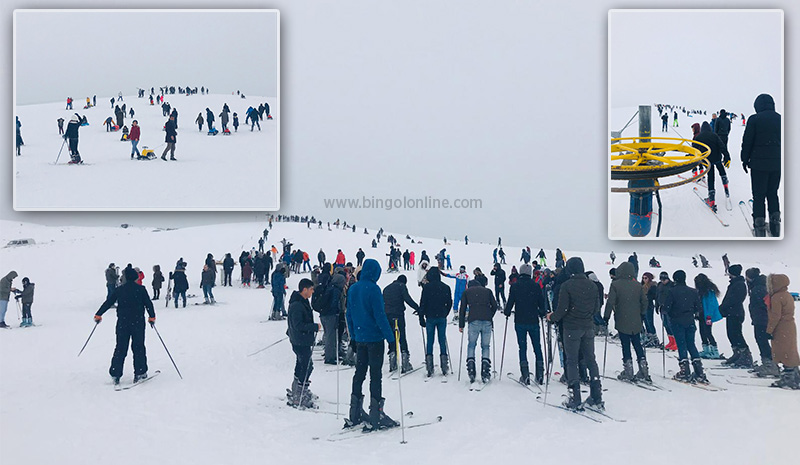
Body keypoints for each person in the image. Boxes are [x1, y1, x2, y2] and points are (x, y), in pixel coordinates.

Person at [345, 259, 399, 430]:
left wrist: (353, 336)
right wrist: (391, 338)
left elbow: (349, 314)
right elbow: (380, 316)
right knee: (375, 375)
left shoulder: (353, 288)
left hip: (360, 338)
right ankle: (376, 413)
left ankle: (355, 412)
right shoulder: (374, 289)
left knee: (359, 373)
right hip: (374, 339)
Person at [547, 257, 604, 410]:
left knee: (572, 360)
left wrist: (552, 317)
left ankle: (575, 396)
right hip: (588, 327)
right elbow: (596, 308)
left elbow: (562, 309)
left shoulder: (567, 285)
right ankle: (596, 395)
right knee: (591, 360)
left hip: (571, 328)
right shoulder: (592, 285)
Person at [94, 267, 156, 385]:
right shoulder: (141, 289)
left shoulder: (119, 290)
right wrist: (151, 317)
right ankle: (140, 372)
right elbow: (148, 303)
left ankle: (115, 373)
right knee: (138, 347)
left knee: (120, 348)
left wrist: (99, 314)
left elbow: (108, 302)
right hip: (138, 323)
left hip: (123, 323)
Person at [741, 94, 781, 237]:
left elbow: (747, 141)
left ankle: (759, 229)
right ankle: (775, 227)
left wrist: (744, 159)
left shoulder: (754, 119)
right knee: (772, 194)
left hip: (758, 165)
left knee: (759, 196)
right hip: (777, 164)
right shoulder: (780, 119)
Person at [603, 262, 650, 383]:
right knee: (637, 343)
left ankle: (628, 370)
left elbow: (610, 302)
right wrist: (642, 313)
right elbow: (645, 301)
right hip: (636, 320)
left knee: (625, 344)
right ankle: (643, 368)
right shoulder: (637, 285)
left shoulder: (615, 285)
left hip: (622, 318)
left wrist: (606, 317)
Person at [663, 270, 708, 384]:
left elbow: (666, 308)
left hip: (677, 321)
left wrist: (665, 310)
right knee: (691, 344)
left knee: (681, 344)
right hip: (689, 320)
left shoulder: (672, 291)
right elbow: (698, 308)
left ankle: (685, 370)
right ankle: (699, 371)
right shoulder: (693, 291)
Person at [504, 263, 545, 384]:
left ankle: (525, 374)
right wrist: (541, 312)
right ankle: (540, 374)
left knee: (522, 347)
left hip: (520, 321)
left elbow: (510, 302)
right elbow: (541, 305)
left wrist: (507, 312)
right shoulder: (536, 286)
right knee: (537, 346)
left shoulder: (515, 286)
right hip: (533, 321)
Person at [286, 279, 322, 408]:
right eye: (311, 289)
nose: (313, 292)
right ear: (305, 289)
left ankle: (298, 390)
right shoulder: (297, 304)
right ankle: (299, 395)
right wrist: (313, 327)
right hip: (299, 340)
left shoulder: (302, 302)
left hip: (301, 339)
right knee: (306, 366)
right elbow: (298, 325)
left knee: (302, 364)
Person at [459, 276, 498, 384]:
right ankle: (485, 371)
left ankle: (471, 369)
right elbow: (495, 306)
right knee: (485, 346)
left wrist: (461, 324)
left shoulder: (466, 292)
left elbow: (462, 309)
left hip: (473, 320)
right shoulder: (487, 291)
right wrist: (490, 315)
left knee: (471, 344)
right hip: (487, 321)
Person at [766, 274, 800, 389]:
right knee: (791, 351)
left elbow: (775, 316)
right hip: (790, 326)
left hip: (781, 328)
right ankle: (795, 375)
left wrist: (769, 330)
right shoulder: (787, 295)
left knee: (784, 352)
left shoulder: (776, 297)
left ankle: (788, 378)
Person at [744, 268, 779, 377]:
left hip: (761, 319)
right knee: (761, 340)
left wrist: (758, 315)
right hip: (761, 318)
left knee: (761, 340)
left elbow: (762, 305)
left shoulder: (758, 288)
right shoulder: (761, 286)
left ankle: (770, 364)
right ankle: (769, 363)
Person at [418, 266, 452, 377]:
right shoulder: (445, 287)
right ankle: (444, 365)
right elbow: (449, 302)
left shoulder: (426, 288)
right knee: (442, 340)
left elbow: (422, 303)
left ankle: (429, 367)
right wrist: (445, 312)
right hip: (442, 316)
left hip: (430, 317)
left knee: (430, 341)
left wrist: (421, 317)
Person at [383, 275, 419, 373]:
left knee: (391, 336)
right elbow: (407, 299)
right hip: (398, 314)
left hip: (388, 315)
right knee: (402, 336)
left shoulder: (386, 288)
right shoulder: (401, 286)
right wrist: (417, 308)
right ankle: (405, 361)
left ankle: (392, 359)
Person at [719, 265, 753, 368]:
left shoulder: (739, 284)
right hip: (732, 312)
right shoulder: (735, 283)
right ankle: (737, 353)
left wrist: (724, 307)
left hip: (735, 313)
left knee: (736, 334)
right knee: (731, 334)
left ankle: (745, 356)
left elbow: (733, 300)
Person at [693, 121, 731, 212]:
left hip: (707, 161)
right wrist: (727, 156)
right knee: (722, 171)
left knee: (711, 178)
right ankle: (726, 186)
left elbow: (693, 150)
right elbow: (722, 146)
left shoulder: (698, 137)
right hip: (717, 158)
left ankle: (712, 200)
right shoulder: (714, 135)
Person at [694, 273, 723, 359]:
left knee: (708, 332)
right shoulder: (701, 291)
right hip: (702, 315)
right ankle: (706, 349)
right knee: (702, 332)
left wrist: (709, 317)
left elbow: (711, 305)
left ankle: (714, 351)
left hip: (707, 315)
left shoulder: (709, 292)